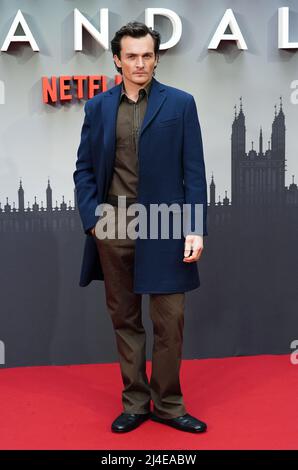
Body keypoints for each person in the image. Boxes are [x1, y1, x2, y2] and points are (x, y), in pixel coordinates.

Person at [73, 21, 208, 434]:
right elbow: (83, 170)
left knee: (170, 321)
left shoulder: (181, 104)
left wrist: (195, 227)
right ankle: (135, 403)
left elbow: (195, 172)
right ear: (117, 59)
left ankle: (168, 405)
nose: (140, 63)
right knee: (125, 320)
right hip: (114, 223)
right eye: (131, 56)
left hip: (166, 225)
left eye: (147, 55)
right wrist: (93, 220)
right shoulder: (98, 108)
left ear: (157, 58)